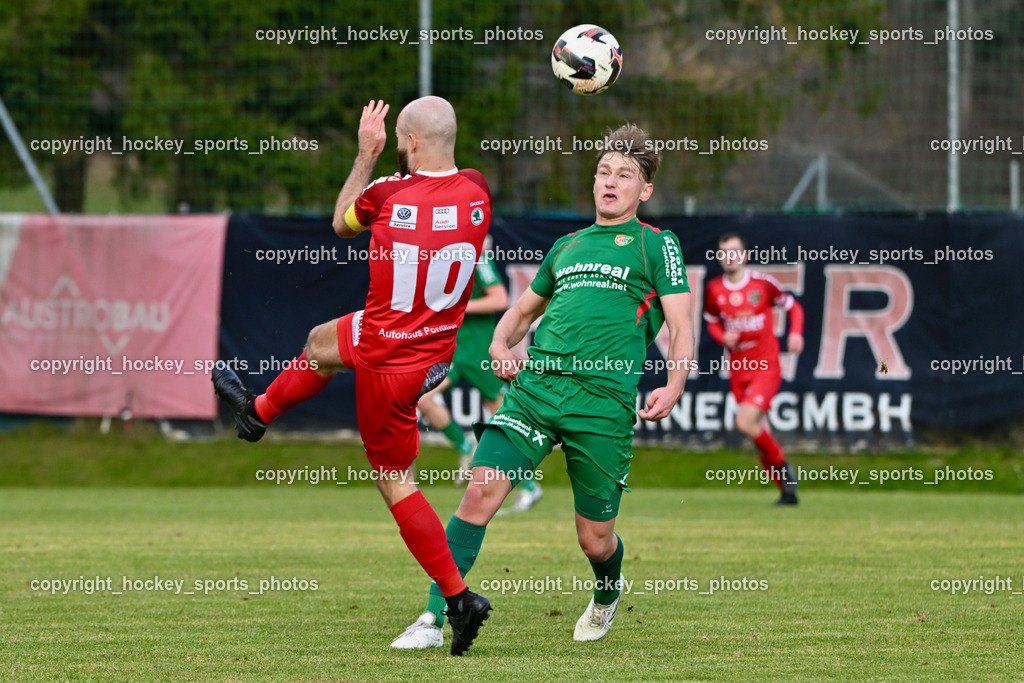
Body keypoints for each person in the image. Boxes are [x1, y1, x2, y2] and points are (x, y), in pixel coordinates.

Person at [391, 122, 693, 649]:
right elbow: (523, 309)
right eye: (603, 171)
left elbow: (682, 324)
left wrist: (675, 382)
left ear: (644, 190)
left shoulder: (655, 245)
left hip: (602, 404)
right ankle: (433, 618)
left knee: (595, 540)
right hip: (535, 391)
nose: (610, 181)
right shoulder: (567, 245)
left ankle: (607, 592)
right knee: (479, 493)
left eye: (625, 175)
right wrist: (500, 346)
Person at [212, 97, 492, 656]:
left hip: (388, 355)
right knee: (318, 343)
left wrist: (365, 154)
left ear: (407, 142)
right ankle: (256, 415)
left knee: (395, 481)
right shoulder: (478, 189)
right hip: (429, 344)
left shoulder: (387, 191)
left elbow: (341, 223)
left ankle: (458, 599)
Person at [416, 244, 544, 510]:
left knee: (504, 420)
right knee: (423, 398)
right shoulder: (441, 260)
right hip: (455, 351)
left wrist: (457, 308)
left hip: (480, 352)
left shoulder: (479, 259)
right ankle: (465, 447)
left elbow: (498, 299)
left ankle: (530, 486)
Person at [703, 232, 804, 505]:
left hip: (766, 368)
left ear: (745, 255)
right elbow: (711, 321)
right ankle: (787, 492)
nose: (729, 256)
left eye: (734, 251)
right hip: (739, 372)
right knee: (760, 434)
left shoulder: (763, 284)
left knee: (744, 423)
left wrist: (795, 333)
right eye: (724, 252)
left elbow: (794, 307)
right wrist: (722, 337)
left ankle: (786, 471)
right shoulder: (714, 289)